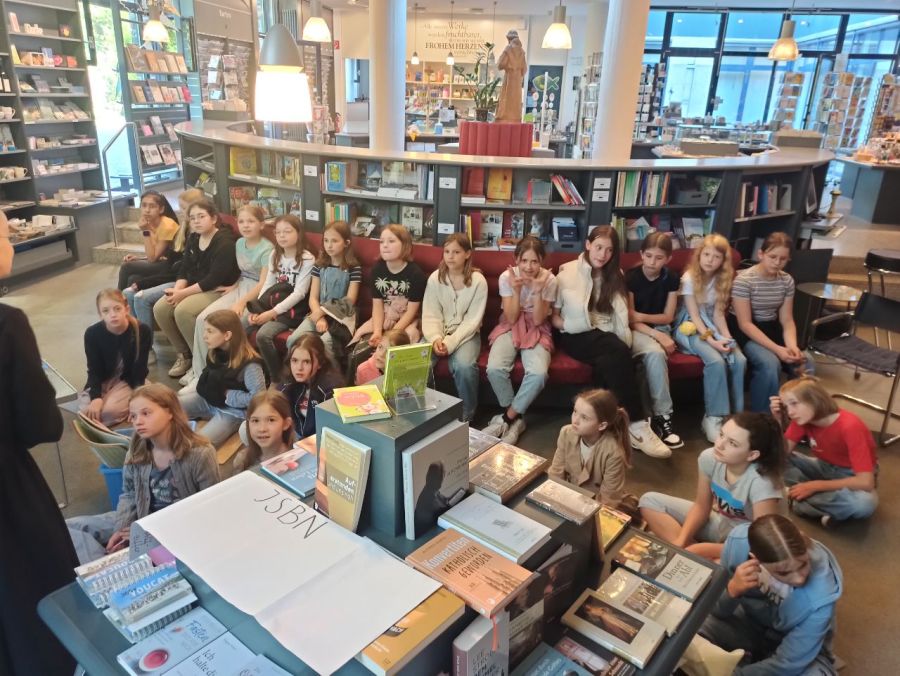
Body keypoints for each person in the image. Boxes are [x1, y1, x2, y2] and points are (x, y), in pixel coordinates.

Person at [1, 210, 81, 675]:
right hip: (8, 496)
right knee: (35, 607)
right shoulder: (8, 325)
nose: (11, 244)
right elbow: (41, 426)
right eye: (5, 236)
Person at [552, 225, 670, 458]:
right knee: (616, 350)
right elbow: (554, 318)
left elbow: (620, 315)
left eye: (609, 250)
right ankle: (636, 424)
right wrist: (570, 325)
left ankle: (599, 426)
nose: (602, 255)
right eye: (598, 247)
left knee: (609, 359)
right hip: (576, 333)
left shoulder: (616, 275)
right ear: (588, 244)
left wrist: (623, 335)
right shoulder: (566, 273)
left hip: (607, 332)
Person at [67, 384, 219, 564]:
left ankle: (116, 565)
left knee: (141, 553)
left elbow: (208, 511)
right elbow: (129, 494)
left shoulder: (201, 453)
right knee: (70, 527)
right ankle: (105, 566)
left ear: (170, 412)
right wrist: (122, 528)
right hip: (142, 515)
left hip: (176, 529)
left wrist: (149, 533)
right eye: (133, 416)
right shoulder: (137, 448)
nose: (138, 421)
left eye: (146, 413)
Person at [701, 514, 842, 675]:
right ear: (755, 559)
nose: (799, 578)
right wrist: (732, 591)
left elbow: (788, 663)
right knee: (692, 626)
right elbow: (716, 610)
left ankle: (741, 661)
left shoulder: (822, 597)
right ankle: (744, 659)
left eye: (803, 564)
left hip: (795, 650)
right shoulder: (737, 544)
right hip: (751, 625)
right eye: (783, 572)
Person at [640, 412, 784, 561]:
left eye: (732, 443)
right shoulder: (709, 457)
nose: (719, 444)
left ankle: (701, 558)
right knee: (649, 501)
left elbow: (762, 542)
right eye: (721, 435)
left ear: (752, 455)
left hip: (747, 543)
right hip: (721, 526)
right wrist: (681, 541)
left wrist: (703, 549)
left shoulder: (763, 482)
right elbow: (701, 506)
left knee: (748, 564)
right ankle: (698, 558)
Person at [184, 205, 274, 385]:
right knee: (203, 319)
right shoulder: (239, 243)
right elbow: (243, 272)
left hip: (258, 293)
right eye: (241, 221)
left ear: (261, 224)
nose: (245, 225)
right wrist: (234, 286)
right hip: (241, 286)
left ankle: (227, 374)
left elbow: (263, 283)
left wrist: (241, 302)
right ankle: (199, 373)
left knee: (230, 324)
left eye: (251, 221)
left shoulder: (268, 249)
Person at [771, 376, 877, 527]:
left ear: (814, 399)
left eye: (794, 403)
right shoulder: (802, 419)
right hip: (824, 466)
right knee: (772, 459)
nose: (790, 412)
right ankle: (816, 502)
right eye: (786, 406)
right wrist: (777, 420)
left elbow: (866, 482)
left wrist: (815, 486)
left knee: (864, 504)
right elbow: (781, 454)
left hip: (851, 475)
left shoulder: (850, 426)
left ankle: (796, 500)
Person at [153, 198, 240, 378]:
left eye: (201, 216)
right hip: (195, 287)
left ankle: (200, 361)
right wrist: (177, 290)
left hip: (217, 289)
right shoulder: (194, 238)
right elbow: (184, 268)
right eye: (192, 218)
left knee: (183, 311)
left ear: (213, 218)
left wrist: (182, 294)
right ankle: (184, 355)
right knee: (160, 308)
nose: (196, 221)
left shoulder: (224, 243)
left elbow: (213, 279)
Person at [483, 236, 557, 445]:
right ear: (516, 259)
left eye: (534, 261)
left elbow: (539, 319)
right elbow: (511, 317)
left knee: (538, 373)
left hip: (537, 327)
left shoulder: (550, 280)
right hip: (510, 324)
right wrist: (516, 290)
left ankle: (507, 418)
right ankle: (518, 420)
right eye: (524, 260)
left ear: (541, 261)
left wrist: (538, 290)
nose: (529, 267)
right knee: (494, 368)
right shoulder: (506, 277)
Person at [675, 234, 746, 443]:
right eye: (706, 255)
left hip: (712, 324)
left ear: (723, 261)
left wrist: (728, 339)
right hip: (690, 326)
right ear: (699, 256)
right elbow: (695, 316)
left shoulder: (723, 279)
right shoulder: (689, 278)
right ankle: (713, 417)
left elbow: (718, 315)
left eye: (716, 257)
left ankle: (734, 416)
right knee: (715, 360)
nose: (710, 260)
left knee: (739, 359)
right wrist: (713, 341)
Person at [728, 232, 811, 412]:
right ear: (761, 254)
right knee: (769, 363)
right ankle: (765, 416)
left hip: (771, 327)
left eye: (783, 259)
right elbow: (745, 324)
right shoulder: (744, 281)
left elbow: (787, 319)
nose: (777, 262)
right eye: (772, 257)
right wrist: (778, 350)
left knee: (806, 361)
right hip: (746, 330)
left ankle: (798, 413)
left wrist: (792, 346)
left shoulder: (786, 280)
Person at [124, 188, 204, 365]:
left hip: (180, 280)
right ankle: (137, 342)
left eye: (185, 209)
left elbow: (162, 262)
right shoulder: (184, 231)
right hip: (174, 275)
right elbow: (170, 263)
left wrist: (145, 283)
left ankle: (147, 349)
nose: (182, 214)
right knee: (128, 290)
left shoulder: (178, 229)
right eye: (143, 205)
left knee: (139, 294)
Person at [626, 232, 682, 449]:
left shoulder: (671, 278)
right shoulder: (631, 277)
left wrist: (641, 317)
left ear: (668, 258)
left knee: (646, 364)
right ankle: (663, 416)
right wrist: (657, 334)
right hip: (638, 330)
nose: (652, 262)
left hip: (661, 327)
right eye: (648, 256)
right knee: (656, 353)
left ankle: (648, 421)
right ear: (641, 254)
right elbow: (630, 319)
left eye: (659, 258)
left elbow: (668, 316)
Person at [422, 233, 488, 422]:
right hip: (437, 332)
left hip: (466, 335)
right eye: (447, 251)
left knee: (464, 366)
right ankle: (426, 409)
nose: (450, 256)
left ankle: (467, 414)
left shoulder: (478, 281)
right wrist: (435, 338)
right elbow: (430, 314)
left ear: (467, 254)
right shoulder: (435, 278)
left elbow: (472, 321)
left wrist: (450, 343)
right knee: (419, 363)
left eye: (456, 252)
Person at [178, 310, 267, 447]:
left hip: (232, 411)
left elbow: (259, 398)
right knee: (167, 407)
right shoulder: (215, 352)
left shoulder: (251, 365)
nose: (204, 336)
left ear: (227, 335)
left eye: (210, 331)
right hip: (210, 399)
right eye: (205, 330)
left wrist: (228, 394)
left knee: (197, 444)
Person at [349, 224, 427, 373]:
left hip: (406, 321)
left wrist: (389, 336)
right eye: (382, 241)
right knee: (357, 352)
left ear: (405, 245)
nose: (385, 245)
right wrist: (378, 332)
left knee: (401, 345)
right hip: (383, 318)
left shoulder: (416, 274)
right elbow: (377, 306)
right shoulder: (377, 269)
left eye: (391, 241)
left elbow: (411, 312)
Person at [247, 214, 316, 381]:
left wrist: (272, 313)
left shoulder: (307, 259)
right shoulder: (274, 254)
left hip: (293, 310)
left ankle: (277, 378)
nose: (282, 236)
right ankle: (253, 374)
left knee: (263, 335)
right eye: (278, 232)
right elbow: (268, 284)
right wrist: (258, 309)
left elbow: (300, 293)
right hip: (272, 304)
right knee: (241, 324)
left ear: (298, 233)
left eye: (287, 231)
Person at [286, 220, 362, 359]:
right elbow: (313, 298)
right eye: (326, 240)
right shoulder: (319, 265)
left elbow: (350, 300)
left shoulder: (354, 268)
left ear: (346, 243)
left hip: (342, 317)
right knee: (293, 340)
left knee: (324, 344)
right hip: (318, 313)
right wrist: (319, 317)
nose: (329, 245)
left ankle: (329, 372)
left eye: (334, 241)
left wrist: (322, 312)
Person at [78, 288, 152, 427]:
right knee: (86, 411)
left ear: (126, 309)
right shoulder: (92, 333)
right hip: (105, 379)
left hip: (128, 379)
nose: (112, 315)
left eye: (117, 309)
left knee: (108, 413)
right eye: (106, 311)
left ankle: (143, 390)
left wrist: (137, 399)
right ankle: (120, 398)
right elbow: (94, 370)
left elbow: (139, 369)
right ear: (100, 315)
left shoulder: (142, 331)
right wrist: (96, 398)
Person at [548, 389, 631, 506]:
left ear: (601, 425)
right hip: (570, 498)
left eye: (584, 417)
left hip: (595, 505)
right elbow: (556, 473)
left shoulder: (613, 452)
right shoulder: (566, 433)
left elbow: (609, 499)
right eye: (575, 411)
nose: (575, 420)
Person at [281, 334, 344, 438]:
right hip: (296, 434)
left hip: (319, 438)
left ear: (320, 364)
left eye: (306, 362)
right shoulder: (288, 382)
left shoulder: (330, 389)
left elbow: (332, 429)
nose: (299, 368)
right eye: (295, 360)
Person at [117, 190, 181, 290]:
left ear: (161, 209)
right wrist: (139, 259)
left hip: (171, 266)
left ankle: (116, 297)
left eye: (152, 206)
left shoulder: (167, 225)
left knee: (126, 267)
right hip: (161, 262)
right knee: (133, 278)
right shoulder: (149, 222)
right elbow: (156, 254)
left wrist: (145, 231)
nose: (147, 210)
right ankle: (124, 299)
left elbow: (153, 259)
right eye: (144, 205)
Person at [233, 390, 296, 472]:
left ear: (286, 424)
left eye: (271, 420)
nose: (262, 429)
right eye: (255, 420)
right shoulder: (243, 460)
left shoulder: (297, 459)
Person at [496, 29, 527, 122]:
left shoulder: (508, 49)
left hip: (509, 79)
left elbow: (500, 64)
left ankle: (504, 117)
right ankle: (515, 117)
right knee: (516, 102)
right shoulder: (522, 52)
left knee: (506, 100)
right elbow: (524, 70)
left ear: (509, 39)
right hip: (517, 82)